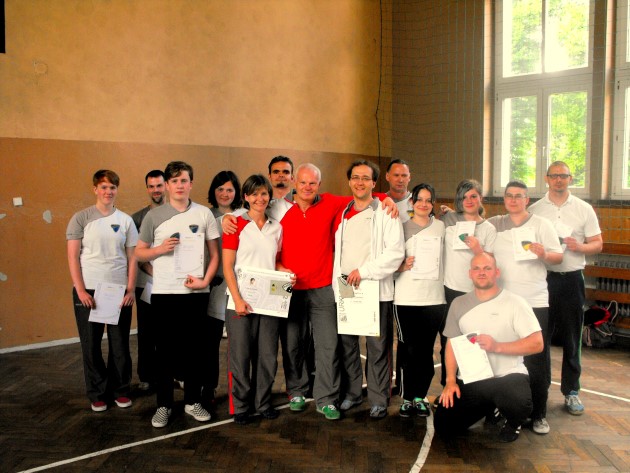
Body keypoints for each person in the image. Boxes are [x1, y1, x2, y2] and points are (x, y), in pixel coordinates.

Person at [135, 161, 220, 428]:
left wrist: (205, 280)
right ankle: (163, 405)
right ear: (168, 185)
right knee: (165, 353)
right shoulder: (154, 216)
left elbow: (215, 255)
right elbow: (139, 252)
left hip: (195, 292)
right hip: (164, 293)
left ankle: (193, 402)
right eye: (174, 181)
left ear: (191, 183)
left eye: (184, 180)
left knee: (195, 350)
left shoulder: (204, 214)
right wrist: (159, 249)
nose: (179, 185)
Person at [435, 253, 544, 443]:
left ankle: (513, 422)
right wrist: (451, 381)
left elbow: (537, 343)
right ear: (470, 273)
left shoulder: (515, 302)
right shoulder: (458, 304)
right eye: (476, 268)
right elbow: (451, 344)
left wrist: (497, 347)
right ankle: (490, 407)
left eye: (487, 268)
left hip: (508, 377)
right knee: (444, 426)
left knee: (519, 404)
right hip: (473, 379)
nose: (481, 273)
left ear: (497, 272)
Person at [487, 181, 562, 435]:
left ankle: (539, 413)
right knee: (503, 358)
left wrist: (544, 254)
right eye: (509, 196)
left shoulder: (542, 224)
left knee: (536, 360)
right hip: (503, 302)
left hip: (534, 301)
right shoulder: (496, 224)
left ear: (527, 200)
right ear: (505, 199)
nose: (514, 200)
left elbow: (558, 257)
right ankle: (506, 409)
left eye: (519, 196)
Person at [528, 161, 602, 417]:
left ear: (570, 179)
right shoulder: (535, 210)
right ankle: (541, 388)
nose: (559, 180)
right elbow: (526, 244)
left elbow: (598, 244)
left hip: (571, 279)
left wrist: (579, 247)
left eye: (564, 176)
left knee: (572, 337)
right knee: (541, 336)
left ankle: (571, 391)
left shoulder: (584, 209)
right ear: (546, 178)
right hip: (542, 279)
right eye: (554, 176)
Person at [334, 160, 405, 419]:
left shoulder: (387, 212)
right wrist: (338, 284)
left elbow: (395, 254)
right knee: (348, 347)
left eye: (365, 178)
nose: (360, 182)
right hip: (346, 290)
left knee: (377, 349)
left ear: (375, 183)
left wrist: (363, 272)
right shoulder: (343, 213)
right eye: (355, 177)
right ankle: (353, 394)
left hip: (375, 290)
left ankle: (378, 399)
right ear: (349, 181)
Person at [66, 169, 138, 412]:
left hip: (118, 292)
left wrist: (129, 290)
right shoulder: (81, 218)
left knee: (119, 346)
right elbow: (73, 258)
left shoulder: (126, 221)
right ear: (95, 189)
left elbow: (132, 258)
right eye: (104, 187)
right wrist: (81, 291)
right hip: (88, 291)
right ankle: (97, 392)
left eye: (112, 187)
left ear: (117, 190)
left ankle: (120, 390)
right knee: (91, 344)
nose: (108, 192)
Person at [222, 174, 285, 425]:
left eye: (264, 193)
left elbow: (275, 262)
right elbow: (228, 266)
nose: (260, 198)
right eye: (254, 194)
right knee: (240, 355)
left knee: (268, 355)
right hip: (240, 301)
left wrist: (286, 274)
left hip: (268, 301)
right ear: (246, 197)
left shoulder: (276, 227)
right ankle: (240, 406)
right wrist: (237, 299)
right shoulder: (234, 224)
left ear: (269, 196)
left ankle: (263, 402)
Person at [393, 183, 446, 418]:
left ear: (432, 204)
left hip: (434, 297)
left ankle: (420, 396)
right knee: (408, 348)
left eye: (428, 200)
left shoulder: (442, 228)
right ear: (411, 203)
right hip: (406, 298)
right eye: (419, 199)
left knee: (425, 350)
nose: (424, 204)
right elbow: (388, 260)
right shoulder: (399, 228)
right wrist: (400, 266)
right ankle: (406, 397)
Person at [440, 179, 497, 386]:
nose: (469, 200)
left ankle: (472, 389)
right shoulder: (449, 220)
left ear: (480, 198)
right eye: (464, 197)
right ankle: (449, 385)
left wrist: (478, 250)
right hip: (449, 290)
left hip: (474, 294)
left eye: (473, 196)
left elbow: (489, 263)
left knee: (472, 341)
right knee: (449, 340)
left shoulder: (488, 228)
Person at [202, 170, 242, 409]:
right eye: (220, 189)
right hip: (214, 287)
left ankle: (239, 390)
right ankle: (208, 387)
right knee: (210, 343)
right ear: (213, 192)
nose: (225, 194)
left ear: (237, 193)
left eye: (229, 189)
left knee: (239, 345)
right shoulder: (204, 216)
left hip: (238, 288)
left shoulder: (244, 215)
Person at [131, 169, 166, 392]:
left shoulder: (177, 214)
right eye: (151, 186)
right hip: (147, 284)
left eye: (159, 185)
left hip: (172, 286)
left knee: (170, 332)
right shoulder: (137, 218)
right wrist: (156, 272)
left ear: (166, 186)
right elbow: (137, 254)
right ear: (147, 189)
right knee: (147, 332)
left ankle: (170, 374)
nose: (156, 190)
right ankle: (146, 376)